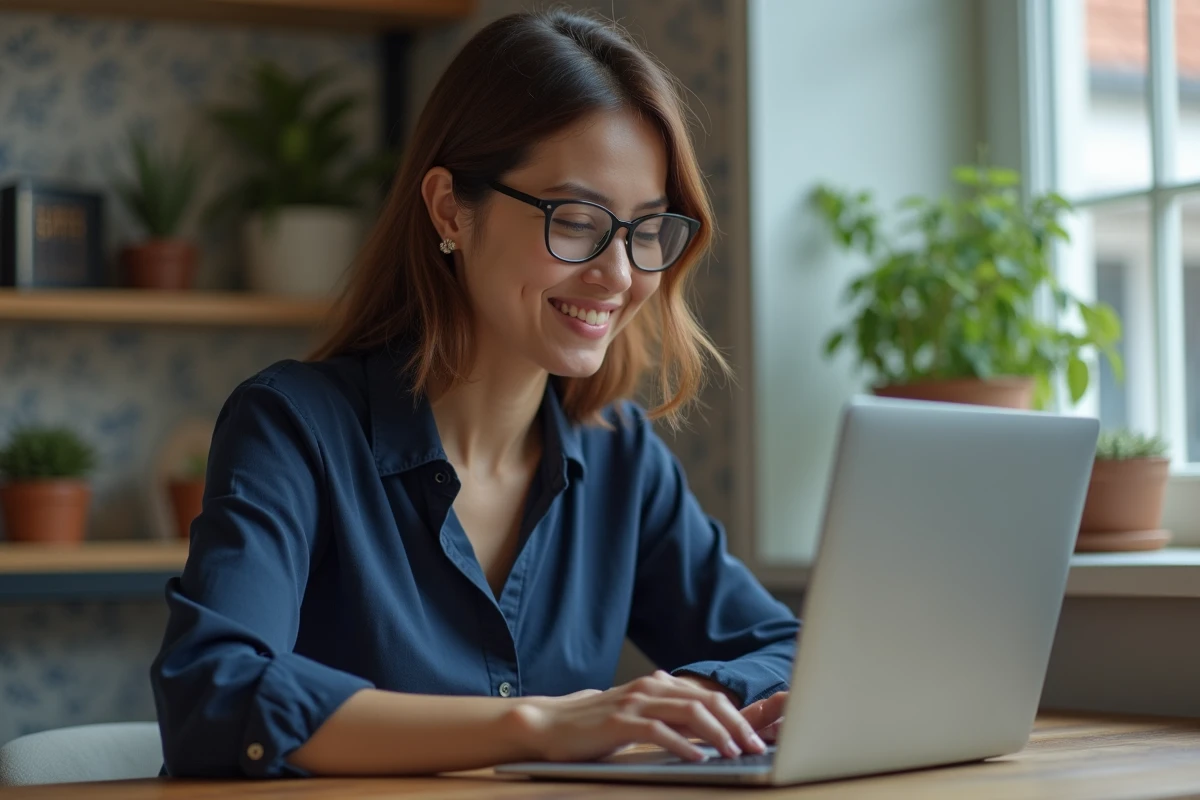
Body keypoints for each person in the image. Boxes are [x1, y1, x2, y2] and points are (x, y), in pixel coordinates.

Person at [150, 8, 800, 779]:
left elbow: (787, 650)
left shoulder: (620, 455)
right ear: (450, 209)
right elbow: (215, 694)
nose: (620, 275)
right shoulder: (292, 426)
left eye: (646, 229)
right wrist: (540, 725)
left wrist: (676, 704)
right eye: (577, 220)